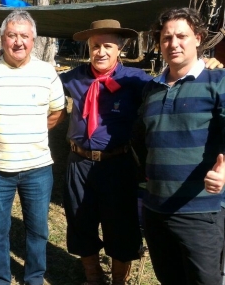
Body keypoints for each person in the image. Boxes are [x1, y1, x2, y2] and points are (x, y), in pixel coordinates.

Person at [0, 10, 65, 285]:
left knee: (38, 230)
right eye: (12, 35)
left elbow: (57, 112)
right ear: (3, 38)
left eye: (24, 36)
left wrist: (31, 130)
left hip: (37, 168)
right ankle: (0, 278)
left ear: (34, 40)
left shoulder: (46, 73)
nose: (18, 42)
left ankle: (34, 277)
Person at [59, 19, 150, 285]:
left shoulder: (135, 79)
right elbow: (43, 85)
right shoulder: (75, 77)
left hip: (117, 164)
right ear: (89, 48)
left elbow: (170, 88)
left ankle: (119, 280)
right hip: (78, 163)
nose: (101, 52)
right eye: (95, 46)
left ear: (120, 48)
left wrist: (208, 66)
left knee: (121, 226)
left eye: (107, 46)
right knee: (80, 220)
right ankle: (93, 276)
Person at [140, 7, 225, 285]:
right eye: (166, 38)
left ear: (198, 38)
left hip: (200, 211)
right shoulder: (151, 89)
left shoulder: (218, 81)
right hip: (155, 210)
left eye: (181, 36)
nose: (173, 44)